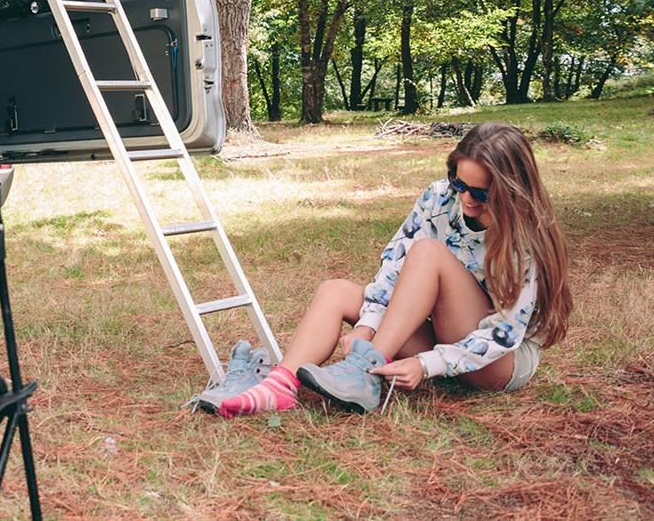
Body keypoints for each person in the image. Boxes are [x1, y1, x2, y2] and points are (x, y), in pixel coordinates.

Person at [198, 122, 572, 417]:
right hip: (442, 333)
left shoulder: (527, 236)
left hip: (497, 363)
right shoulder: (438, 197)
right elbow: (394, 267)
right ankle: (279, 386)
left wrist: (426, 364)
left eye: (481, 194)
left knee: (427, 254)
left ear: (510, 190)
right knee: (336, 291)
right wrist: (366, 327)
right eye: (458, 183)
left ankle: (363, 371)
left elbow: (503, 336)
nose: (465, 199)